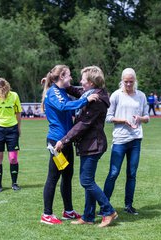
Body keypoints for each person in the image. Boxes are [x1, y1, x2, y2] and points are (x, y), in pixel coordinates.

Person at [55, 66, 118, 228]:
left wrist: (64, 140)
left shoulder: (96, 100)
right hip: (88, 144)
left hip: (93, 145)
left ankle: (108, 210)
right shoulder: (91, 94)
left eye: (83, 79)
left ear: (90, 82)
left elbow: (83, 124)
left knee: (86, 180)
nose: (80, 82)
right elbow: (77, 93)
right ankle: (88, 216)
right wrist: (59, 82)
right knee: (88, 180)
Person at [40, 64, 98, 225]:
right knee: (53, 177)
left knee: (67, 176)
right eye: (69, 75)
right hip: (56, 142)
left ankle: (68, 211)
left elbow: (70, 109)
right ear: (61, 77)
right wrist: (85, 99)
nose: (71, 78)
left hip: (66, 141)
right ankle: (46, 214)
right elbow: (64, 106)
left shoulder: (62, 92)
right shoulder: (54, 93)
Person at [103, 68, 150, 216]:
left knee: (132, 174)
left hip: (136, 139)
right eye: (126, 81)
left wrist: (140, 119)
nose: (128, 84)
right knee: (113, 173)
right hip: (120, 140)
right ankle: (105, 205)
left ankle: (128, 205)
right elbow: (108, 117)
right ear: (122, 80)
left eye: (131, 81)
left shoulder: (141, 96)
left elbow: (147, 117)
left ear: (135, 81)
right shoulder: (116, 96)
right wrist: (123, 120)